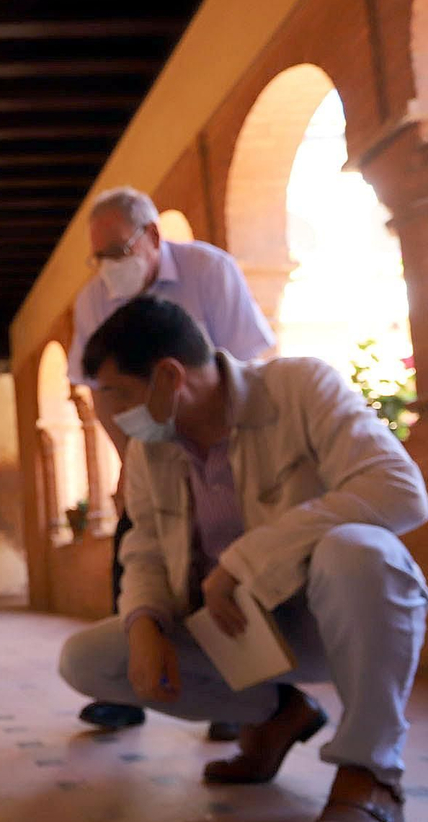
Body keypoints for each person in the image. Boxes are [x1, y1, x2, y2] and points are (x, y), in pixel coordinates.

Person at [57, 296, 428, 822]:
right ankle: (277, 714)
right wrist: (144, 622)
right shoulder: (150, 450)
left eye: (121, 395)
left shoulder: (300, 388)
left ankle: (371, 773)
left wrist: (244, 562)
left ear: (169, 377)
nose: (116, 415)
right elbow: (145, 549)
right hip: (233, 634)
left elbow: (399, 491)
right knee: (90, 659)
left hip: (330, 621)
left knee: (360, 551)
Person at [69, 187, 275, 739]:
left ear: (153, 236)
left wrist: (229, 451)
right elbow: (101, 393)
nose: (108, 267)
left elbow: (247, 364)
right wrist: (128, 461)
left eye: (117, 251)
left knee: (226, 558)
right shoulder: (94, 300)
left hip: (221, 442)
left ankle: (244, 696)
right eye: (98, 257)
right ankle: (128, 689)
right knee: (136, 550)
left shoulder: (210, 271)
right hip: (151, 451)